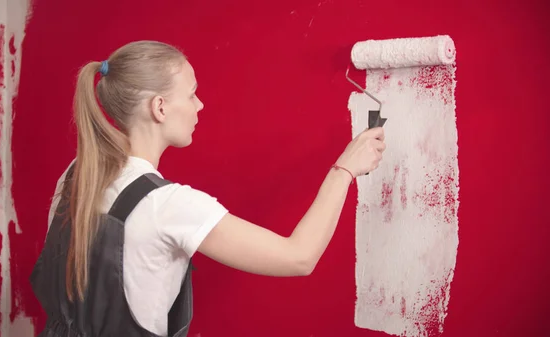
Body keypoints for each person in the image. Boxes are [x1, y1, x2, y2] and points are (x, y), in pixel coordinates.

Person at [30, 40, 386, 337]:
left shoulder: (77, 174)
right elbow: (298, 257)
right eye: (192, 94)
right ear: (160, 107)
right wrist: (344, 170)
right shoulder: (167, 206)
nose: (200, 105)